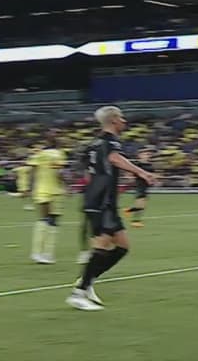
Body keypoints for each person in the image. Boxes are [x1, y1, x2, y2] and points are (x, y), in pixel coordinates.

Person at [67, 106, 157, 311]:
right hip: (102, 201)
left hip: (98, 199)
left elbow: (89, 172)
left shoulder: (92, 144)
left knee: (122, 247)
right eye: (122, 118)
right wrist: (141, 172)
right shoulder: (110, 141)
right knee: (102, 244)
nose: (124, 121)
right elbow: (114, 158)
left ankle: (86, 281)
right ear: (114, 120)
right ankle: (78, 293)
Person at [28, 134, 67, 264]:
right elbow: (59, 173)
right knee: (53, 221)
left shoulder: (38, 154)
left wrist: (30, 187)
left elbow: (32, 171)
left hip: (41, 190)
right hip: (55, 191)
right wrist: (65, 186)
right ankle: (48, 254)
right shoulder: (59, 154)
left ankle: (36, 253)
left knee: (43, 220)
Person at [124, 148, 154, 228]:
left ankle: (128, 211)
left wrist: (152, 179)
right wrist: (130, 178)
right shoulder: (137, 164)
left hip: (146, 187)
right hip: (139, 186)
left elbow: (152, 175)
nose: (147, 156)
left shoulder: (150, 165)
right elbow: (129, 172)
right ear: (140, 155)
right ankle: (135, 222)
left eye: (148, 154)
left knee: (142, 205)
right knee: (140, 205)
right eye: (145, 154)